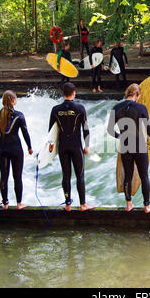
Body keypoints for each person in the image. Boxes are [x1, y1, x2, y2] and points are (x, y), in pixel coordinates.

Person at [107, 83, 150, 213]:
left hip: (125, 144)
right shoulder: (141, 108)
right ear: (136, 95)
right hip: (139, 144)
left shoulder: (116, 108)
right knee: (144, 175)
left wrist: (120, 136)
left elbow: (110, 130)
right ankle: (147, 206)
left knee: (128, 175)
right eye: (138, 96)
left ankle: (129, 204)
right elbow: (148, 129)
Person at [49, 82, 94, 212]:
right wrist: (87, 146)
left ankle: (68, 204)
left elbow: (50, 132)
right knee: (80, 175)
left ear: (63, 93)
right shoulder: (80, 108)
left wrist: (52, 150)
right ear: (74, 93)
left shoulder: (55, 109)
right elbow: (86, 129)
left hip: (62, 146)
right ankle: (83, 205)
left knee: (66, 175)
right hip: (76, 146)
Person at [0, 90, 33, 210]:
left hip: (2, 149)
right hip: (16, 149)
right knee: (17, 176)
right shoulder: (19, 115)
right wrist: (29, 147)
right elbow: (25, 132)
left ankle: (5, 204)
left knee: (3, 176)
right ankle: (19, 204)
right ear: (13, 100)